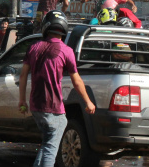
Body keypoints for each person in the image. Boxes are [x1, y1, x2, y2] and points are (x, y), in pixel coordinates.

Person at [18, 10, 95, 167]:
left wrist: (22, 101)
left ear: (46, 27)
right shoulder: (66, 51)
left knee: (47, 142)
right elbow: (77, 80)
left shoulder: (33, 48)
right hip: (53, 106)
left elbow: (23, 76)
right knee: (51, 147)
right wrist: (88, 102)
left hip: (36, 106)